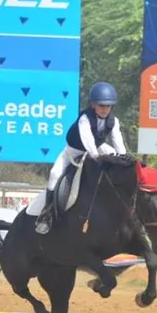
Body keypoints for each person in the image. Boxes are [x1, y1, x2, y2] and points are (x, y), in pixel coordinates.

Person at [35, 81, 128, 234]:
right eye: (101, 105)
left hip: (98, 147)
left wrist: (122, 157)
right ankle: (47, 214)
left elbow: (117, 140)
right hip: (74, 151)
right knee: (54, 174)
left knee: (118, 161)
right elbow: (87, 140)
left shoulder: (114, 121)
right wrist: (96, 157)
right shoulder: (85, 118)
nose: (105, 109)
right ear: (93, 104)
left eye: (108, 106)